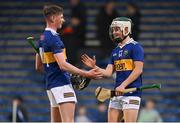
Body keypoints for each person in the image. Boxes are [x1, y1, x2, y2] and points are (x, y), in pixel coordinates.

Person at [35, 5, 102, 122]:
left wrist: (54, 73)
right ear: (52, 18)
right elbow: (63, 65)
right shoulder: (54, 38)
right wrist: (86, 73)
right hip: (62, 84)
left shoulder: (42, 38)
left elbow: (38, 66)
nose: (63, 20)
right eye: (61, 17)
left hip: (51, 85)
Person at [81, 17, 144, 122]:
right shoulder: (115, 51)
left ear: (126, 30)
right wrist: (95, 67)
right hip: (116, 94)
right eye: (113, 30)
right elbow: (108, 73)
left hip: (131, 94)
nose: (114, 32)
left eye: (117, 29)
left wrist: (123, 85)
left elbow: (138, 70)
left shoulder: (135, 47)